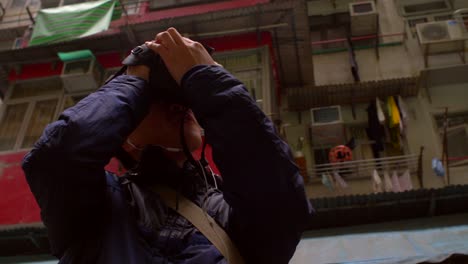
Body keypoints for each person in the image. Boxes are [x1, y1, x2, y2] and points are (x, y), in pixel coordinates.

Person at [22, 28, 314, 264]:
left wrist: (207, 81)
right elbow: (57, 159)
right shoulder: (97, 208)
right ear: (120, 127)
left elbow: (279, 197)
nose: (179, 104)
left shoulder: (229, 211)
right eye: (155, 98)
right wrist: (135, 80)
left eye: (184, 97)